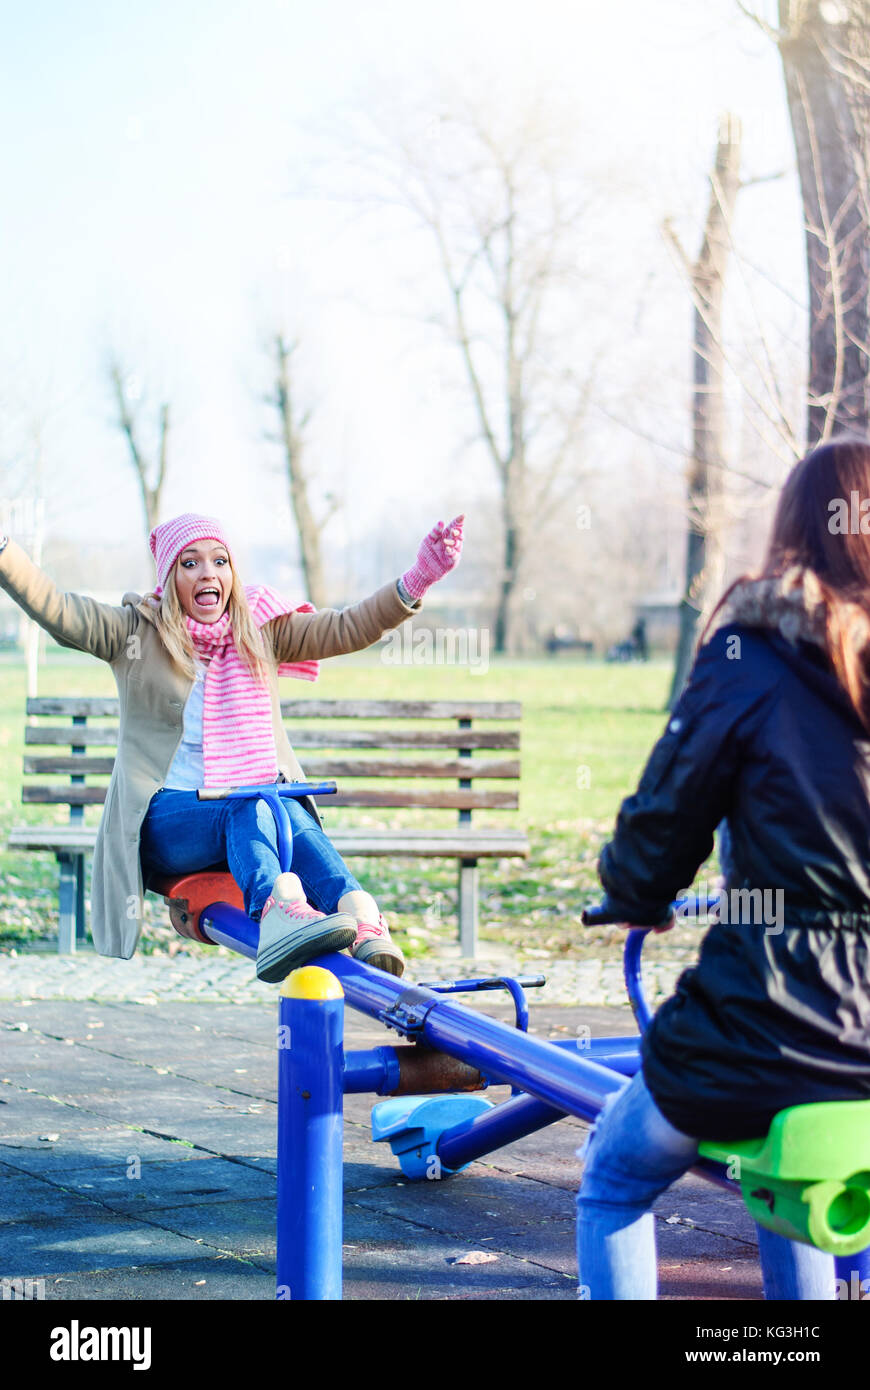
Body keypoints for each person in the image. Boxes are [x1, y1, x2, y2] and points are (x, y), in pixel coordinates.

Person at [577, 437, 870, 1301]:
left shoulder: (754, 650)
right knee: (798, 1192)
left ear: (792, 531)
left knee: (615, 1175)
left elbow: (665, 812)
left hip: (767, 1017)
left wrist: (635, 895)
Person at [0, 510, 464, 983]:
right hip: (169, 821)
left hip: (252, 811)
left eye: (220, 562)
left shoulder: (261, 630)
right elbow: (57, 608)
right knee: (247, 799)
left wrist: (417, 579)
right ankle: (276, 912)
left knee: (286, 813)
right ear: (169, 577)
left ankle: (360, 914)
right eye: (191, 563)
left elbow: (348, 627)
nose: (208, 573)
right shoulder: (134, 633)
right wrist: (3, 549)